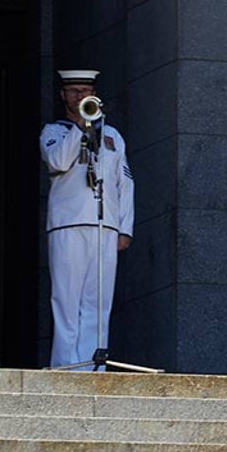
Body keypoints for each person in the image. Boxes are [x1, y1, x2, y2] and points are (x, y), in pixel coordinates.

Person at [40, 69, 134, 370]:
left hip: (104, 225)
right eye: (73, 91)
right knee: (66, 299)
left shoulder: (112, 135)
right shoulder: (54, 132)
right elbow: (58, 161)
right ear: (63, 95)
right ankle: (65, 366)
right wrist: (80, 127)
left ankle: (93, 367)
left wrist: (124, 228)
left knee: (98, 301)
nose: (80, 96)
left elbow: (125, 183)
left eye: (85, 90)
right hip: (67, 224)